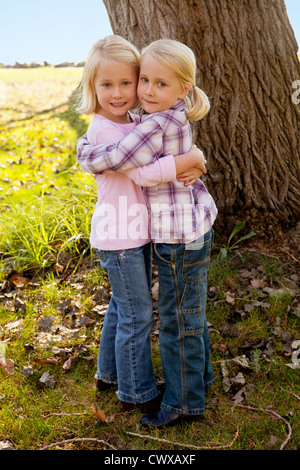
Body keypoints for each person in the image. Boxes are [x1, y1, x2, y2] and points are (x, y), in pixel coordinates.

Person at [75, 36, 207, 414]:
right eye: (106, 85)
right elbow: (142, 172)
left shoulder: (136, 121)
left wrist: (196, 159)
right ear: (92, 87)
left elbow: (161, 143)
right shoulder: (104, 131)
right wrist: (188, 161)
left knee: (123, 306)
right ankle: (137, 392)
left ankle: (109, 373)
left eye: (126, 83)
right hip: (120, 236)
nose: (118, 93)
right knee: (138, 315)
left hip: (134, 231)